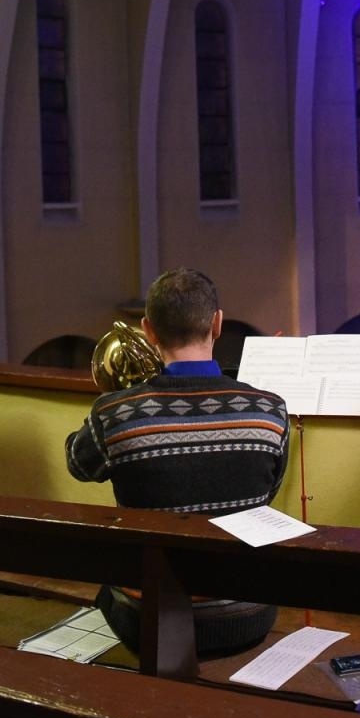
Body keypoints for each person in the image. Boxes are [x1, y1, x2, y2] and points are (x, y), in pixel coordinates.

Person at [66, 268, 289, 656]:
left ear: (149, 330)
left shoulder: (116, 412)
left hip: (149, 621)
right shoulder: (270, 410)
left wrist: (114, 410)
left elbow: (78, 465)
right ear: (217, 323)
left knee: (107, 587)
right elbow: (268, 489)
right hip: (249, 615)